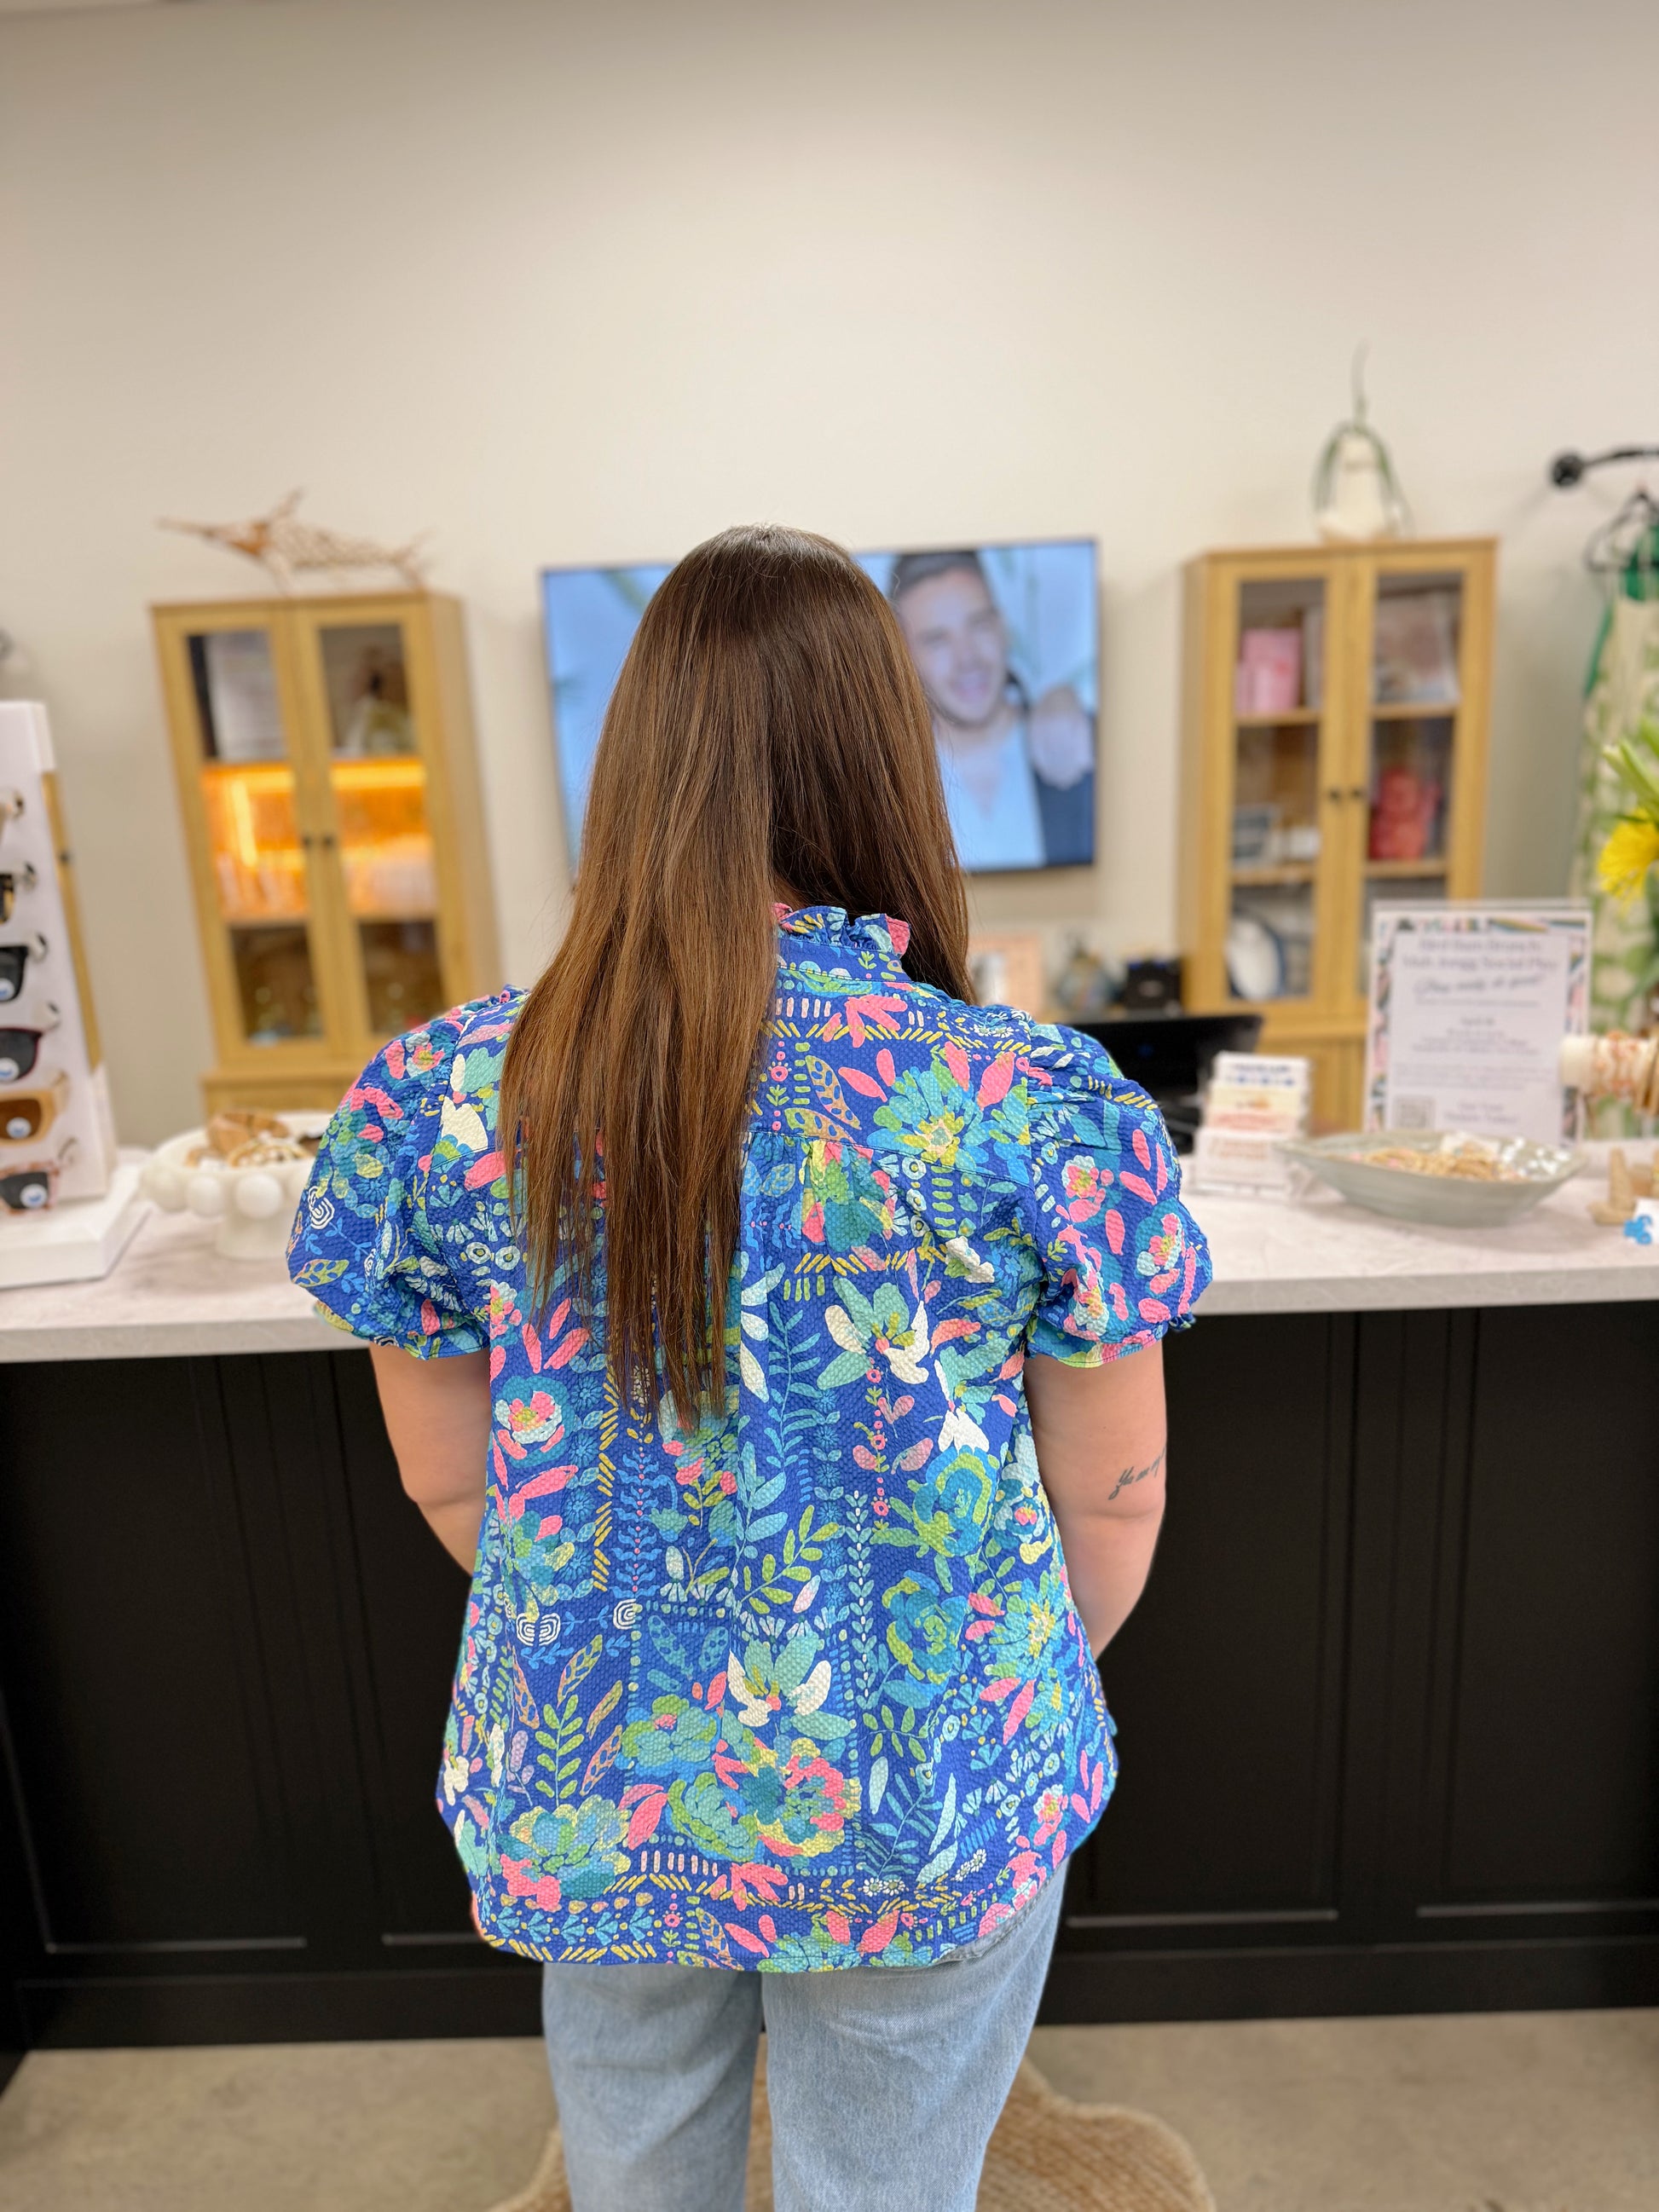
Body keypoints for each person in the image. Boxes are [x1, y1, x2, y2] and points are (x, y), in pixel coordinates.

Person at [288, 524, 1210, 2212]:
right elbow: (1114, 1498)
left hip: (596, 1781)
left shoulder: (440, 1098)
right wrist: (968, 1690)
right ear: (886, 763)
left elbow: (447, 1476)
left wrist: (635, 1663)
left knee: (634, 2159)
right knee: (887, 2180)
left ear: (632, 768)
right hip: (926, 1781)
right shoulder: (1030, 1101)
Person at [887, 548, 1095, 869]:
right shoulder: (888, 784)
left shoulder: (1077, 740)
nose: (967, 658)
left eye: (979, 625)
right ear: (905, 658)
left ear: (1002, 628)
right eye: (937, 640)